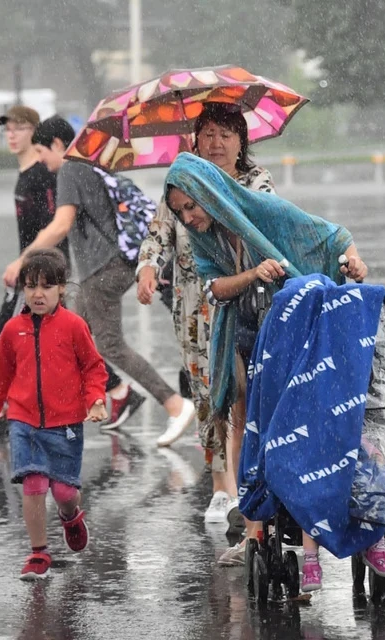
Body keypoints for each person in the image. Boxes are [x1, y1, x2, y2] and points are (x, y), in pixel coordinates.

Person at [162, 153, 385, 591]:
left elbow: (331, 237)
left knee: (323, 426)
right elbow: (214, 288)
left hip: (305, 333)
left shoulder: (260, 210)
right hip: (253, 337)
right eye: (179, 212)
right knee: (256, 427)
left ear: (209, 195)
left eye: (190, 207)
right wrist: (253, 273)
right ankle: (257, 523)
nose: (188, 218)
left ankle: (344, 523)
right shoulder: (205, 241)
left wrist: (353, 261)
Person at [14, 116, 196, 446]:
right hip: (110, 266)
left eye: (41, 151)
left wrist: (23, 260)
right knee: (70, 333)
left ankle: (174, 404)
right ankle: (73, 407)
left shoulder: (70, 167)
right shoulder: (90, 163)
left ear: (57, 144)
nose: (41, 160)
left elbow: (61, 225)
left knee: (108, 343)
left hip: (105, 269)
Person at [136, 103, 275, 531]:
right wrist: (146, 269)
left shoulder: (257, 181)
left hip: (247, 300)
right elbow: (158, 231)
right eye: (207, 134)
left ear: (241, 142)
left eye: (226, 134)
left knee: (249, 393)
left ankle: (256, 482)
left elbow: (268, 224)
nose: (216, 143)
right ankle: (221, 485)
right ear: (195, 140)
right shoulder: (180, 184)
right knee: (207, 390)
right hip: (194, 305)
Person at [0, 107, 133, 436]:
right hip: (33, 265)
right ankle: (117, 390)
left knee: (13, 334)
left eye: (19, 128)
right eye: (7, 129)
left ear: (36, 134)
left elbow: (57, 224)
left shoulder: (44, 173)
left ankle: (4, 410)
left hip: (42, 268)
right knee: (56, 339)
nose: (12, 134)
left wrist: (32, 264)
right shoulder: (28, 173)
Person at [0, 248, 109, 580]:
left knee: (63, 492)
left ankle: (70, 515)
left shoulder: (74, 326)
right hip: (24, 422)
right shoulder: (12, 331)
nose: (38, 294)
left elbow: (93, 368)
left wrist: (96, 401)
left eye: (46, 286)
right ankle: (38, 553)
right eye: (30, 286)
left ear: (62, 288)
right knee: (32, 483)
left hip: (66, 424)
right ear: (23, 291)